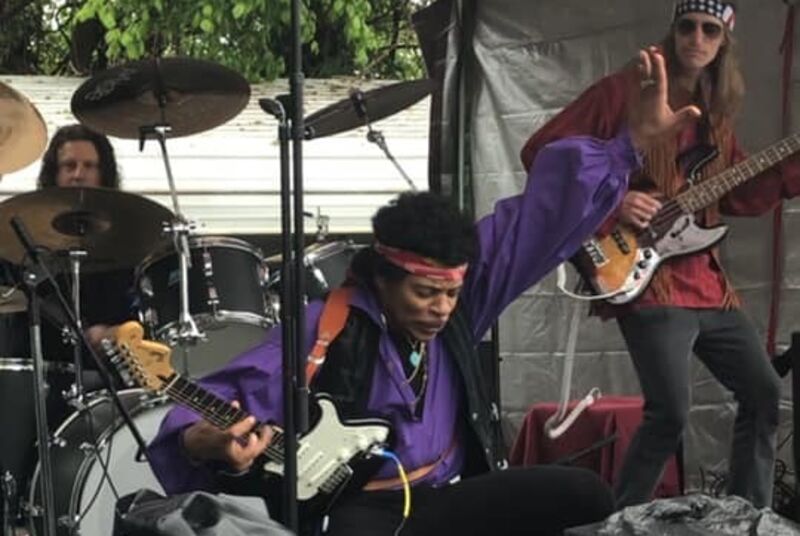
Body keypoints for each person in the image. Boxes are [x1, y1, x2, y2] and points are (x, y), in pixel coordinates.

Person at [147, 48, 698, 536]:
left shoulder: (461, 305)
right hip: (363, 506)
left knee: (584, 494)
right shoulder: (327, 325)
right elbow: (215, 402)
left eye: (450, 293)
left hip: (446, 494)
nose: (441, 308)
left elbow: (537, 220)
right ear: (382, 280)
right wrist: (203, 441)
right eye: (425, 293)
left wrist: (628, 146)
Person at [519, 0, 800, 510]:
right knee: (669, 411)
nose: (697, 38)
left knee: (762, 394)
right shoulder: (623, 91)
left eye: (710, 30)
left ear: (724, 43)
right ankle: (622, 517)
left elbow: (737, 196)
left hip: (708, 283)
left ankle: (747, 515)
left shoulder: (716, 113)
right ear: (673, 31)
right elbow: (542, 153)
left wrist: (791, 170)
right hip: (648, 281)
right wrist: (616, 198)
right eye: (687, 26)